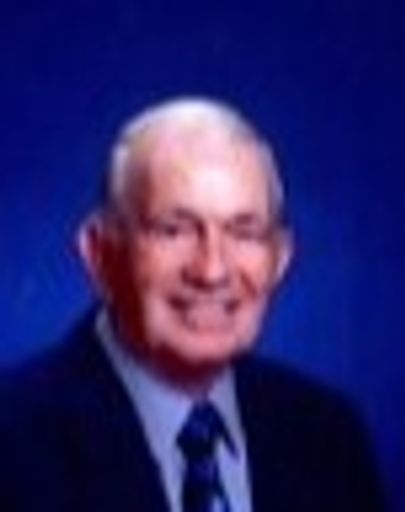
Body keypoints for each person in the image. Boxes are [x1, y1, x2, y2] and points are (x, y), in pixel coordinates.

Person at [0, 97, 386, 511]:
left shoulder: (329, 438)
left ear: (280, 259)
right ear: (99, 255)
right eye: (173, 230)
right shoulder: (13, 441)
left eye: (244, 232)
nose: (211, 271)